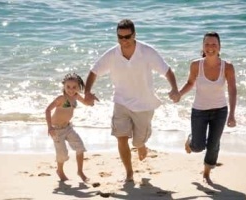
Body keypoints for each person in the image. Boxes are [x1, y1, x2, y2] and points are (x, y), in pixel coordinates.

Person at [84, 19, 180, 182]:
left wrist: (175, 89)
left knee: (137, 142)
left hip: (144, 105)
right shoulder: (112, 54)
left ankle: (141, 145)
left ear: (134, 35)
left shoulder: (147, 52)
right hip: (121, 102)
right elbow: (94, 71)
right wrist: (87, 92)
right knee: (121, 137)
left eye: (127, 37)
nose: (124, 41)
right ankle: (129, 172)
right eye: (120, 37)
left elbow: (167, 70)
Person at [178, 32, 237, 184]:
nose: (210, 47)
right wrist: (179, 94)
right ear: (203, 47)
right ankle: (191, 140)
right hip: (199, 111)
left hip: (220, 111)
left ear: (219, 47)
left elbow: (232, 89)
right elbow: (190, 83)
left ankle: (206, 173)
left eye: (214, 44)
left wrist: (232, 114)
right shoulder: (196, 65)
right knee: (197, 147)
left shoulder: (228, 67)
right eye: (207, 44)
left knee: (213, 145)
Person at [45, 72, 90, 182]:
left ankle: (80, 171)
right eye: (68, 87)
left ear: (78, 87)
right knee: (62, 154)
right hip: (56, 130)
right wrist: (50, 127)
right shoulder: (61, 98)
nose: (71, 89)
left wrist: (91, 99)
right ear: (64, 86)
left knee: (80, 147)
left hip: (68, 128)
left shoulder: (76, 96)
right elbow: (47, 110)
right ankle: (59, 170)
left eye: (74, 87)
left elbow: (87, 103)